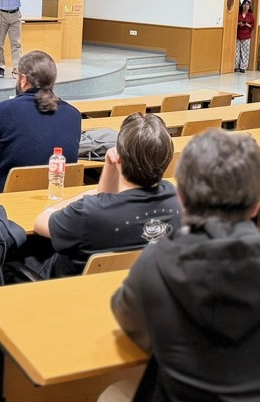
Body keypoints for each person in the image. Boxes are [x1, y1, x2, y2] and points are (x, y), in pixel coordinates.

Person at [93, 130, 260, 402]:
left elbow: (133, 327)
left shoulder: (156, 265)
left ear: (181, 197)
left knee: (111, 396)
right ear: (256, 204)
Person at [28, 112, 182, 278]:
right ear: (167, 159)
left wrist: (105, 174)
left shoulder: (89, 212)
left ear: (119, 159)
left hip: (74, 290)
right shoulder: (179, 201)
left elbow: (40, 222)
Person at [0, 50, 81, 193]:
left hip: (3, 201)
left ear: (23, 79)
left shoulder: (4, 111)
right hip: (56, 199)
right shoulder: (73, 115)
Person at [234, 0, 255, 73]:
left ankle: (243, 67)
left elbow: (252, 25)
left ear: (249, 6)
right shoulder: (238, 14)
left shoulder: (250, 16)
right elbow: (234, 23)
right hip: (238, 35)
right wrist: (239, 24)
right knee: (237, 52)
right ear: (242, 5)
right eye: (244, 4)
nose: (246, 6)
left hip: (246, 36)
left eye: (247, 4)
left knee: (245, 52)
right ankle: (236, 66)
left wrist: (247, 24)